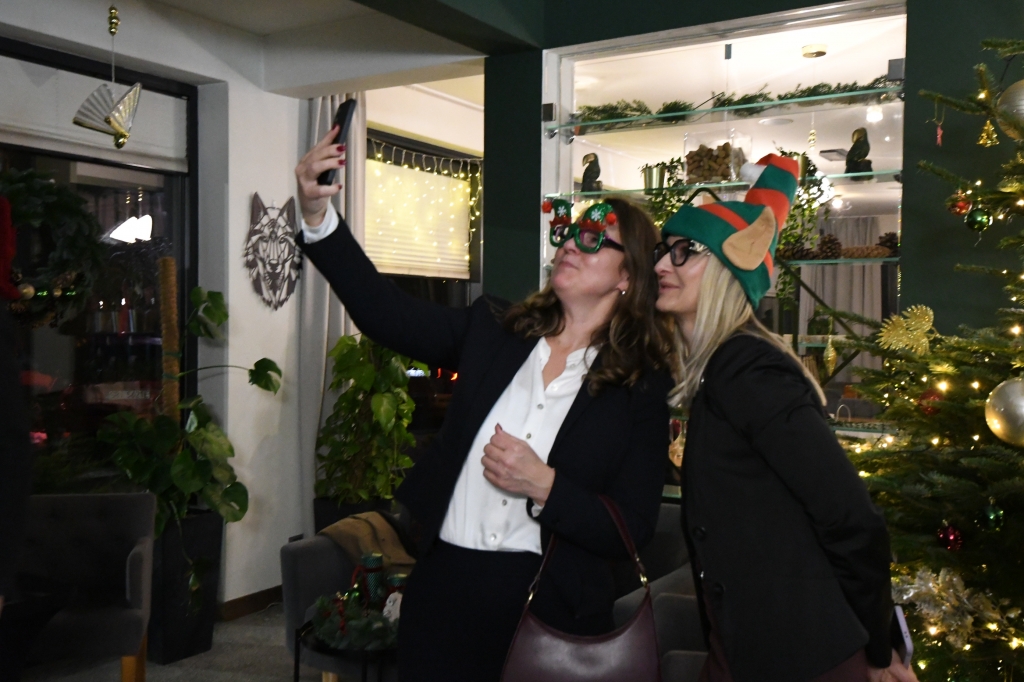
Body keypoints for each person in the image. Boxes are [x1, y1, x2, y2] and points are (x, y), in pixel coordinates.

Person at [294, 127, 674, 682]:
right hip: (445, 589)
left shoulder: (640, 385)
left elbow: (632, 528)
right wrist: (316, 217)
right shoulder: (494, 332)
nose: (570, 244)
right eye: (569, 233)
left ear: (628, 275)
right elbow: (384, 312)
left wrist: (546, 486)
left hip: (549, 608)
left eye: (595, 239)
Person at [652, 154, 918, 682]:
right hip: (748, 647)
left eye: (685, 251)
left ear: (730, 272)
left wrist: (879, 646)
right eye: (664, 250)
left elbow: (851, 518)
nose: (662, 265)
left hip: (803, 657)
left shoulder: (749, 370)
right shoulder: (719, 371)